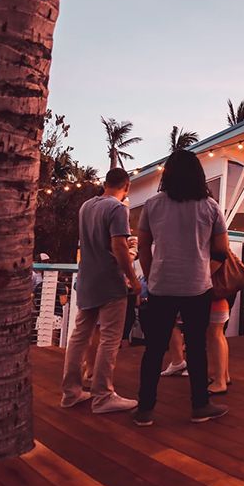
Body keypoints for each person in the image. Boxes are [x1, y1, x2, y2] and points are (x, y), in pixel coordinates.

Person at [134, 149, 229, 426]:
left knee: (154, 349)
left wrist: (152, 277)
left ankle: (145, 409)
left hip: (162, 285)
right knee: (197, 347)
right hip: (197, 287)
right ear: (198, 175)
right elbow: (221, 251)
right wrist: (204, 273)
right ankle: (200, 406)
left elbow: (142, 246)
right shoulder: (211, 207)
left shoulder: (152, 204)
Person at [60, 168, 140, 414]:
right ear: (126, 186)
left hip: (87, 279)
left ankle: (71, 393)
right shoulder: (117, 209)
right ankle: (103, 395)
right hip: (109, 281)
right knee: (109, 338)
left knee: (79, 336)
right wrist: (132, 277)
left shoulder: (86, 207)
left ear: (105, 183)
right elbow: (117, 246)